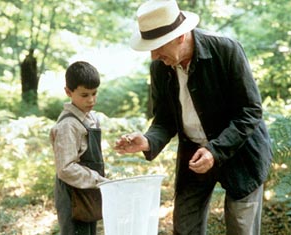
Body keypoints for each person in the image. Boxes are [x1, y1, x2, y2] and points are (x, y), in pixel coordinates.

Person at [114, 0, 272, 234]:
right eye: (150, 47)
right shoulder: (160, 67)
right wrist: (148, 140)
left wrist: (215, 151)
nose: (154, 55)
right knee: (185, 227)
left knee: (242, 227)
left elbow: (250, 111)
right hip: (193, 154)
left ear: (180, 36)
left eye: (158, 46)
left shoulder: (226, 50)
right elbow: (164, 119)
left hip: (241, 154)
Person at [50, 61, 107, 235]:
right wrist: (98, 180)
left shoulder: (91, 119)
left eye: (94, 93)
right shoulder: (68, 125)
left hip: (88, 191)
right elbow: (66, 169)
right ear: (68, 92)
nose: (91, 100)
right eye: (84, 95)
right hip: (72, 195)